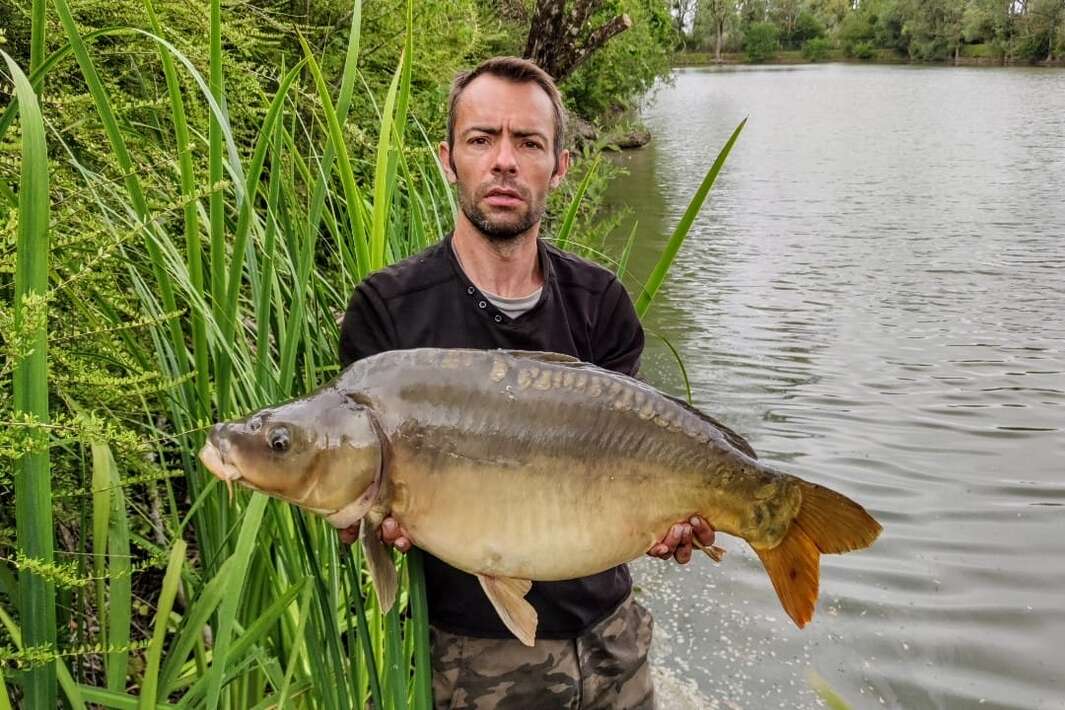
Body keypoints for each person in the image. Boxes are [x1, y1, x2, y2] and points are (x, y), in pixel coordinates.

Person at [338, 56, 715, 710]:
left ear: (560, 167)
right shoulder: (388, 309)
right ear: (447, 159)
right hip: (464, 656)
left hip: (610, 641)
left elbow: (630, 461)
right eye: (482, 139)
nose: (504, 161)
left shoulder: (600, 302)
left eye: (528, 142)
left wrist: (667, 518)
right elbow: (352, 474)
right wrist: (369, 516)